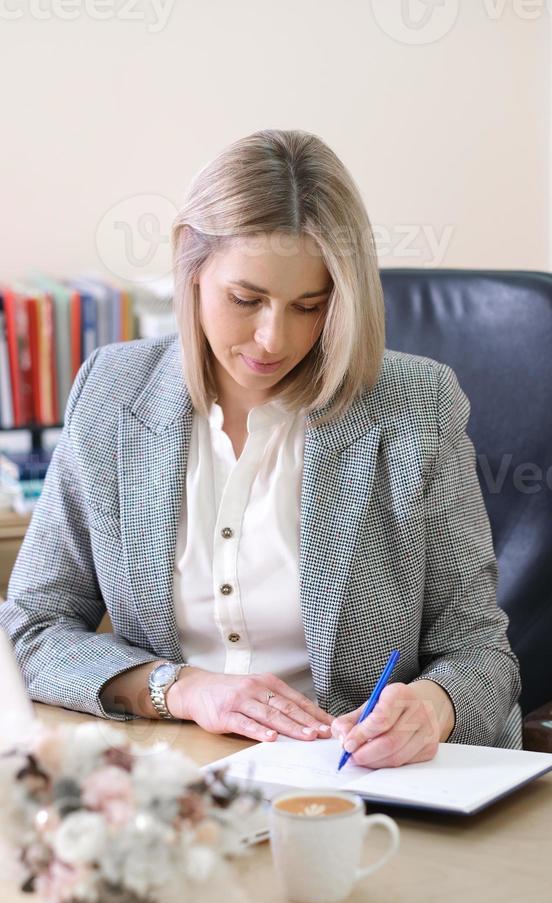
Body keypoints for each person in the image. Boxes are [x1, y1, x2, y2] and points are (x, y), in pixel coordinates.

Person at [0, 128, 522, 768]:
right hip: (172, 776)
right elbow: (32, 628)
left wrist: (434, 704)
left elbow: (480, 650)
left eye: (310, 305)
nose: (274, 338)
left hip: (355, 782)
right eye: (246, 299)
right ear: (191, 267)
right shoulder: (112, 394)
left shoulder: (417, 408)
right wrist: (179, 689)